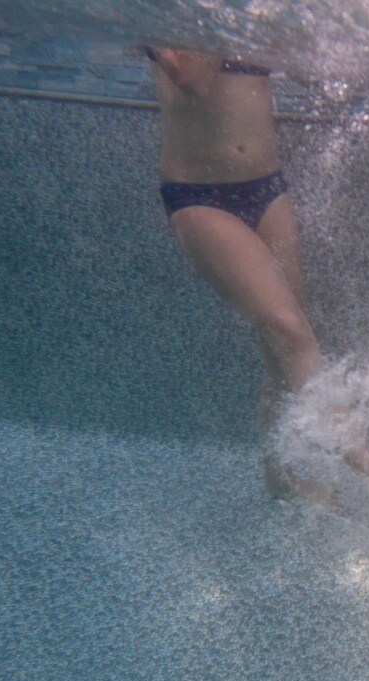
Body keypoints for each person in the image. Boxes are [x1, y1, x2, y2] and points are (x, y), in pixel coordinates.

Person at [146, 46, 320, 494]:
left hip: (267, 189)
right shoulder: (183, 22)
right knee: (288, 330)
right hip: (199, 196)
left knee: (281, 356)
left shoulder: (248, 22)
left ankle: (278, 476)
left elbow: (312, 73)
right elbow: (191, 76)